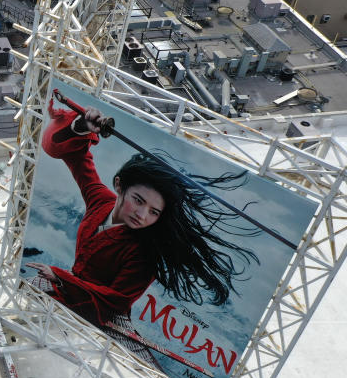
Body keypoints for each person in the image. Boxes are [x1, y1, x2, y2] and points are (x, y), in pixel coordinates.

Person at [24, 97, 259, 331]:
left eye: (154, 212)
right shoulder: (101, 200)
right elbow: (68, 154)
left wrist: (62, 277)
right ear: (119, 186)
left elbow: (117, 301)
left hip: (106, 319)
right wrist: (81, 127)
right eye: (138, 200)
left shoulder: (146, 251)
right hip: (66, 290)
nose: (142, 215)